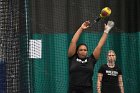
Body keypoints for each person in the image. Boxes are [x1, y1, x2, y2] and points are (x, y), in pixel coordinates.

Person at [68, 20, 115, 93]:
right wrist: (81, 28)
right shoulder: (72, 58)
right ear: (77, 51)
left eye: (85, 50)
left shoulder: (91, 60)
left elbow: (99, 46)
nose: (83, 51)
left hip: (87, 90)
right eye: (81, 50)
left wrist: (106, 31)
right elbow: (73, 42)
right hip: (73, 90)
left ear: (87, 51)